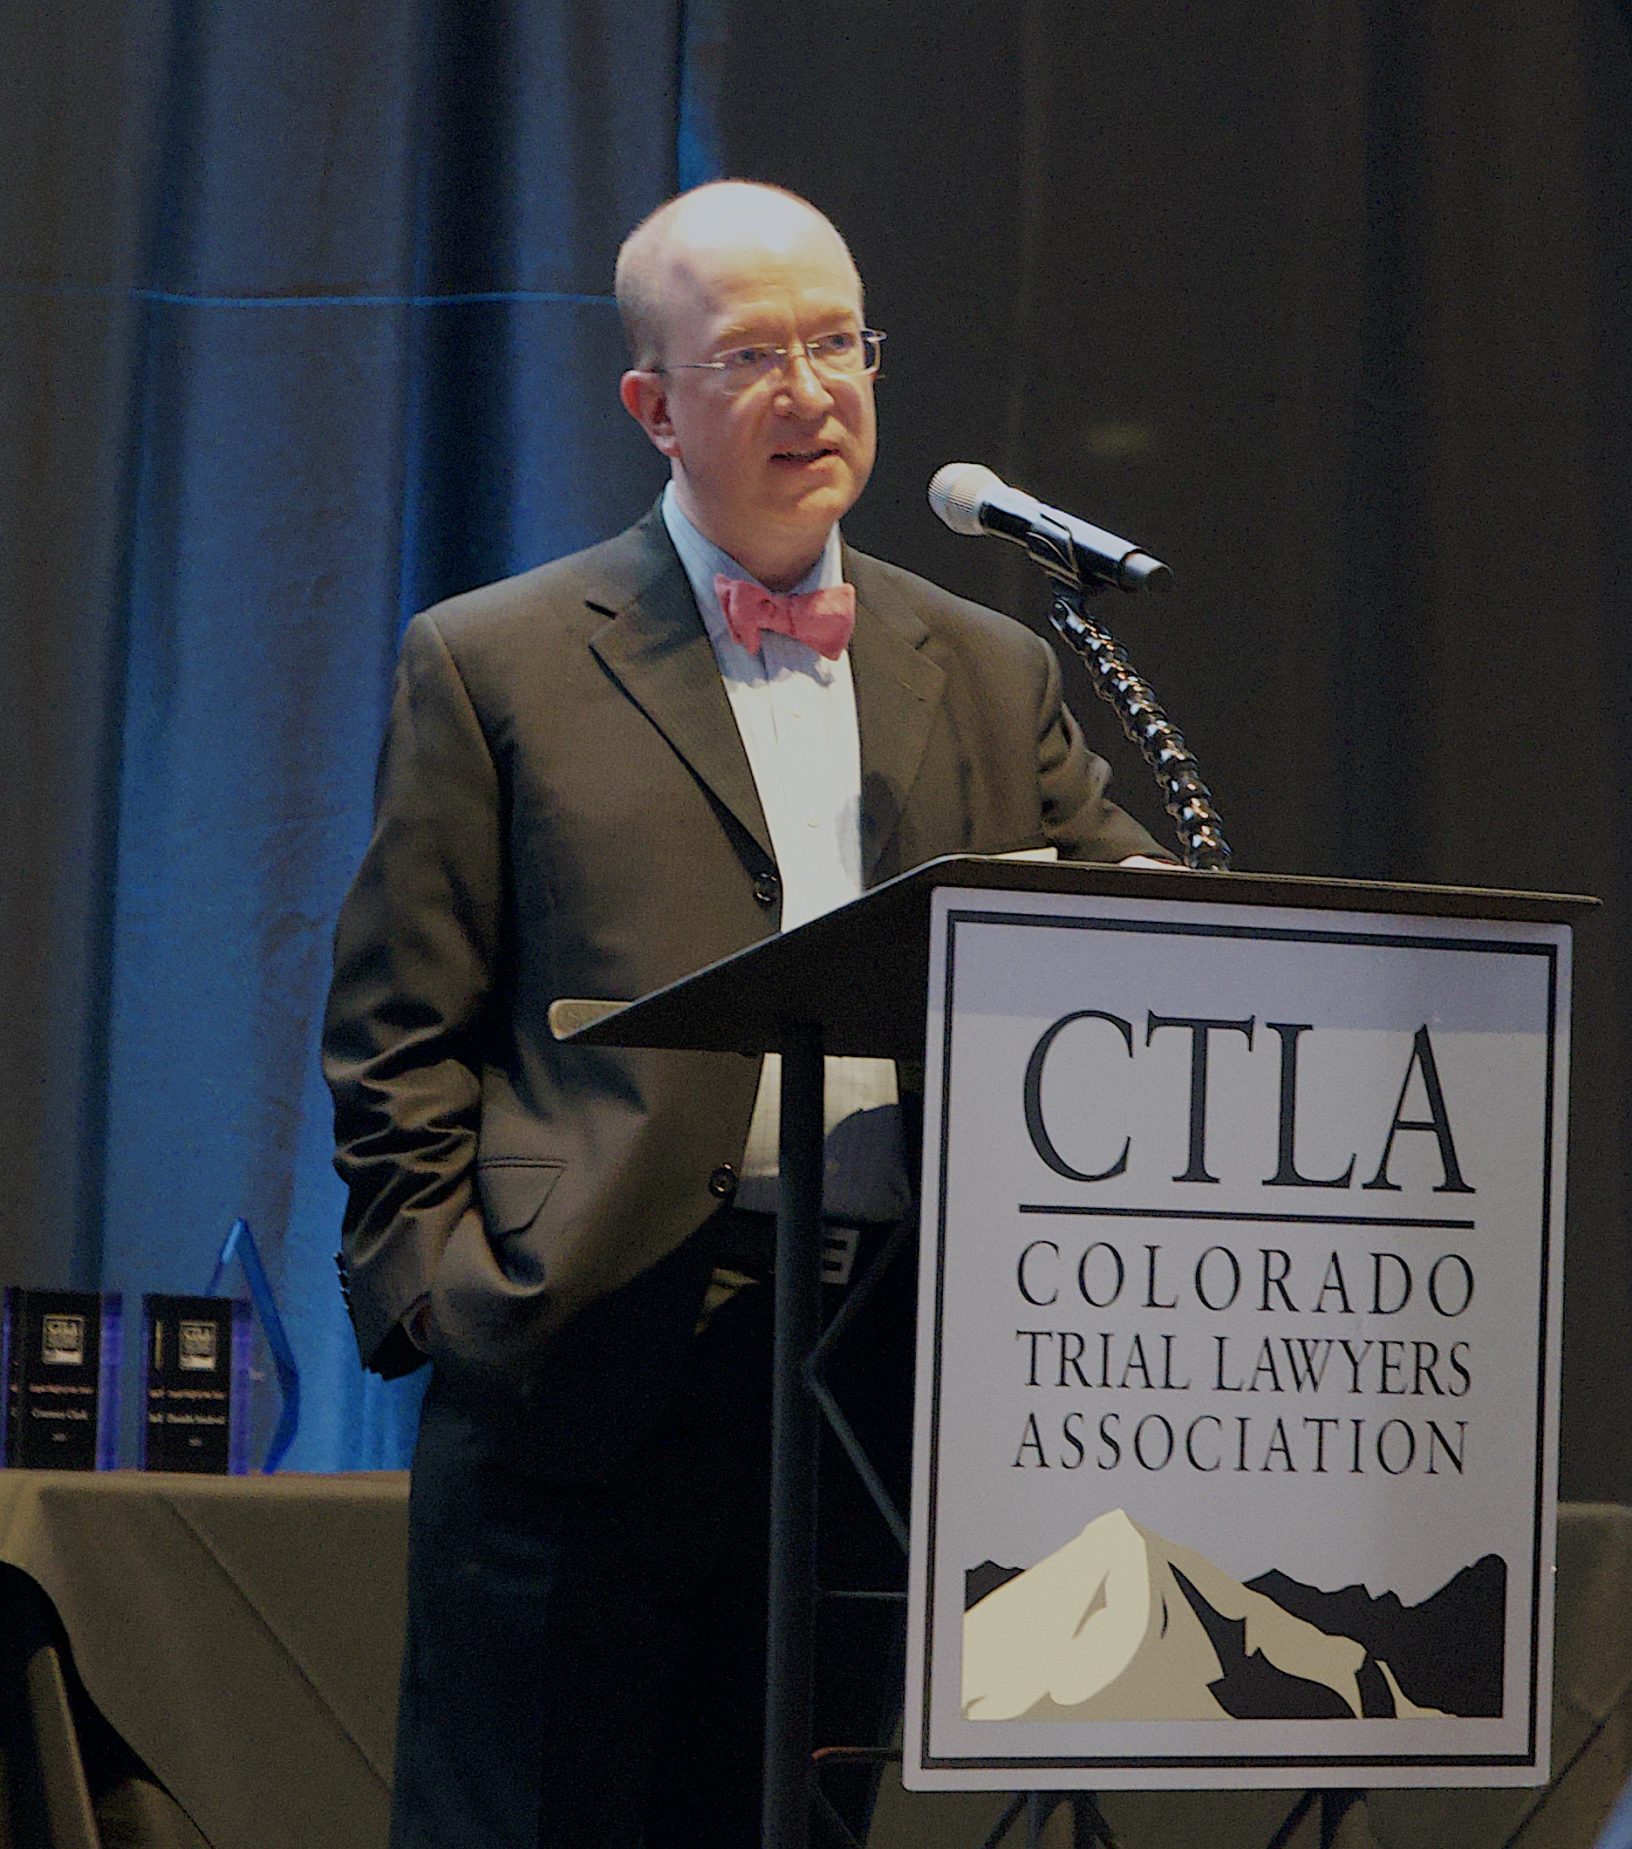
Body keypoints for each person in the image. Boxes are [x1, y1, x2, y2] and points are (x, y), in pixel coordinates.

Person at [322, 181, 1166, 1847]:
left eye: (839, 343)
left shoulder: (991, 666)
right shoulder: (495, 662)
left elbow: (1139, 927)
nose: (813, 390)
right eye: (755, 355)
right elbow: (397, 1027)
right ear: (654, 404)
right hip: (594, 1343)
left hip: (884, 1351)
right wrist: (451, 1300)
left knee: (798, 1817)